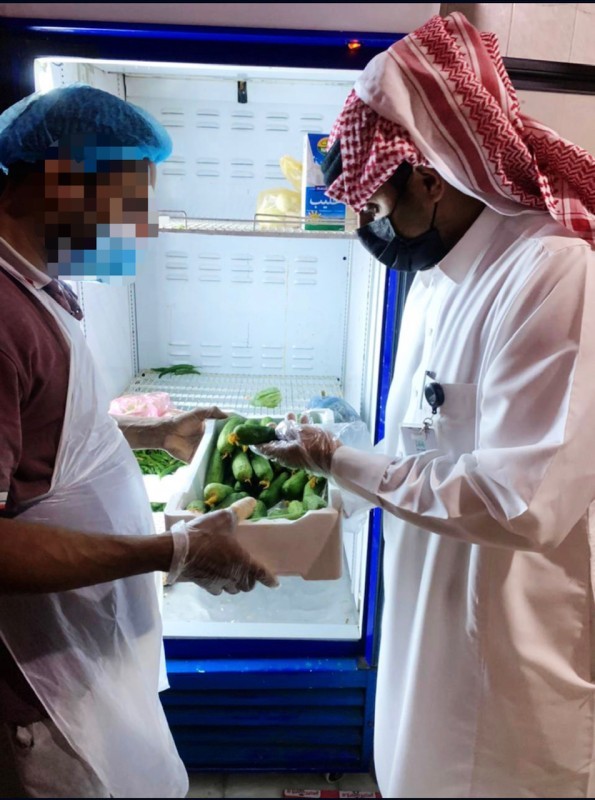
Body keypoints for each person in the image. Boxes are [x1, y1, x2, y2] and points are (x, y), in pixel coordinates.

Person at [258, 11, 595, 799]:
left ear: (431, 176)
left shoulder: (552, 273)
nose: (369, 229)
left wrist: (339, 462)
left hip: (502, 660)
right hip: (423, 619)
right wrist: (325, 493)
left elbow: (520, 505)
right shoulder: (434, 274)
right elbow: (419, 443)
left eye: (376, 206)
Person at [0, 84, 277, 799]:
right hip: (38, 683)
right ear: (61, 179)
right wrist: (169, 551)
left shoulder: (36, 285)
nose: (138, 229)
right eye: (126, 203)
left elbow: (42, 437)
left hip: (84, 648)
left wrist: (152, 432)